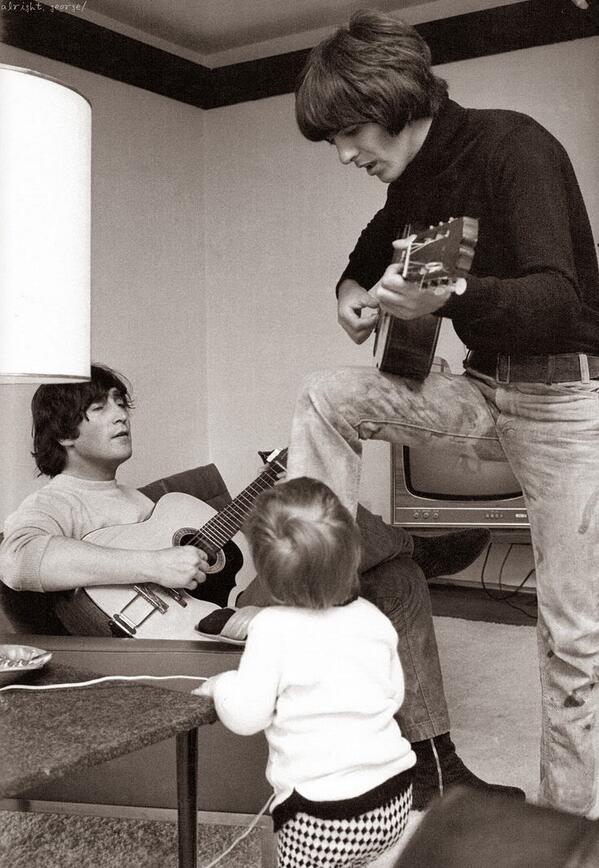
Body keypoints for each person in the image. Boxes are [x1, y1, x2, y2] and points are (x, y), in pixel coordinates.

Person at [288, 9, 599, 817]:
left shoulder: (511, 145)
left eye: (350, 132)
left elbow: (558, 298)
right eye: (333, 144)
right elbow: (360, 261)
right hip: (480, 388)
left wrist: (451, 292)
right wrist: (350, 296)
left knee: (573, 637)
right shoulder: (408, 184)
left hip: (565, 397)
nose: (346, 154)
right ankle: (310, 598)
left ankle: (566, 828)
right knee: (326, 391)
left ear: (394, 100)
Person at [0, 363, 522, 808]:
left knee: (397, 579)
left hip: (232, 609)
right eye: (99, 408)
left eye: (121, 402)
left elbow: (223, 570)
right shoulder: (58, 502)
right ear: (64, 433)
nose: (120, 414)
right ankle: (415, 544)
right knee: (315, 506)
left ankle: (436, 767)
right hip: (201, 639)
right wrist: (156, 563)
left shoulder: (143, 503)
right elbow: (19, 560)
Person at [196, 476, 415, 868]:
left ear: (266, 575)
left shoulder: (271, 627)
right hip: (394, 797)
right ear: (352, 554)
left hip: (321, 817)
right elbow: (394, 696)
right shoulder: (373, 618)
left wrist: (222, 685)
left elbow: (247, 716)